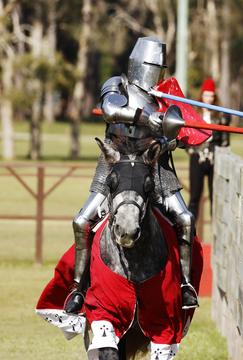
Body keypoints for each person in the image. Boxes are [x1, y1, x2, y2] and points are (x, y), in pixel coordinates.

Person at [66, 37, 200, 313]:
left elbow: (176, 137)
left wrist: (174, 138)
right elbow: (110, 110)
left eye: (160, 68)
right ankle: (78, 287)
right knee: (82, 221)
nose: (155, 73)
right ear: (138, 64)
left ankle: (185, 285)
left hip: (153, 165)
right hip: (115, 161)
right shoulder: (117, 85)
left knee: (185, 219)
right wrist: (144, 118)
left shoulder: (164, 98)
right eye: (152, 66)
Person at [188, 78, 230, 219]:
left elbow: (225, 139)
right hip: (197, 157)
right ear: (202, 95)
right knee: (194, 197)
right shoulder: (194, 112)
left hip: (215, 158)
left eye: (211, 96)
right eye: (206, 95)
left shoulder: (221, 114)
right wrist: (191, 151)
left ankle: (217, 232)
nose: (209, 99)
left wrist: (221, 153)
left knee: (215, 197)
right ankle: (190, 233)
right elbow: (187, 134)